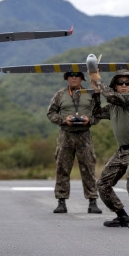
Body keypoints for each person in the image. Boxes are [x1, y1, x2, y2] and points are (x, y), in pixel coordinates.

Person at [89, 69, 129, 229]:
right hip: (121, 152)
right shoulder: (112, 108)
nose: (124, 85)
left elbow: (110, 96)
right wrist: (96, 93)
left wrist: (97, 79)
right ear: (115, 85)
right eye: (120, 83)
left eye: (127, 83)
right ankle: (121, 216)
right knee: (102, 184)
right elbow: (96, 114)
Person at [47, 71, 103, 214]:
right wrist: (63, 120)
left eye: (77, 75)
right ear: (66, 78)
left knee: (88, 167)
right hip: (66, 134)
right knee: (62, 167)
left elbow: (98, 114)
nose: (73, 77)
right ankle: (61, 201)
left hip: (84, 134)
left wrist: (89, 120)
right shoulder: (60, 95)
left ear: (82, 78)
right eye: (70, 75)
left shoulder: (90, 93)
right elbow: (51, 113)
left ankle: (92, 201)